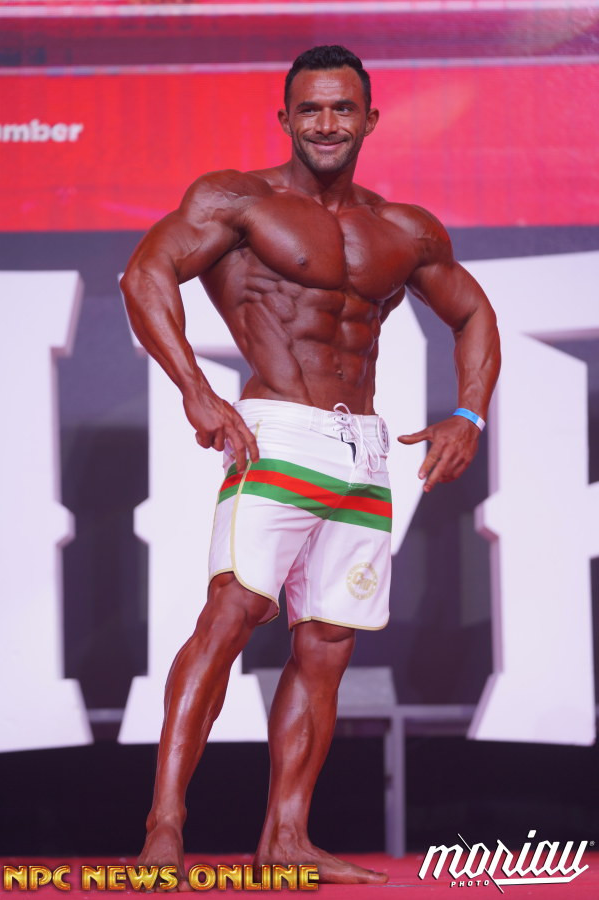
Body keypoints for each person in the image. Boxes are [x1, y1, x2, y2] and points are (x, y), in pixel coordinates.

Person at [121, 44, 501, 887]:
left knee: (326, 644)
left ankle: (286, 837)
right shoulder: (239, 201)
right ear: (286, 118)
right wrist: (196, 389)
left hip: (364, 447)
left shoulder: (403, 228)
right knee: (232, 614)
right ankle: (164, 828)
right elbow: (146, 272)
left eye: (342, 108)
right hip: (277, 432)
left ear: (370, 118)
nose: (326, 123)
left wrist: (469, 413)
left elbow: (472, 311)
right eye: (311, 109)